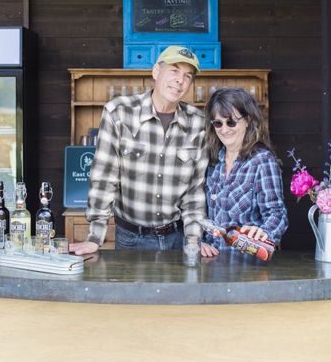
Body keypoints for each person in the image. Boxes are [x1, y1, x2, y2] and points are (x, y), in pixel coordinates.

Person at [70, 46, 210, 255]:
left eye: (187, 76)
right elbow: (105, 178)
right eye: (174, 70)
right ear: (155, 71)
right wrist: (95, 237)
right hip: (130, 239)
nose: (180, 80)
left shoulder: (198, 123)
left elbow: (194, 192)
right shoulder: (119, 112)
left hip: (177, 240)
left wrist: (193, 240)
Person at [202, 87, 288, 256]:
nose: (224, 129)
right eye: (218, 123)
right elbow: (206, 218)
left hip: (247, 266)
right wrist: (201, 243)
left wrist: (265, 233)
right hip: (212, 266)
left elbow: (277, 215)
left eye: (231, 122)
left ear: (248, 119)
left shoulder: (262, 161)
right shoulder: (213, 162)